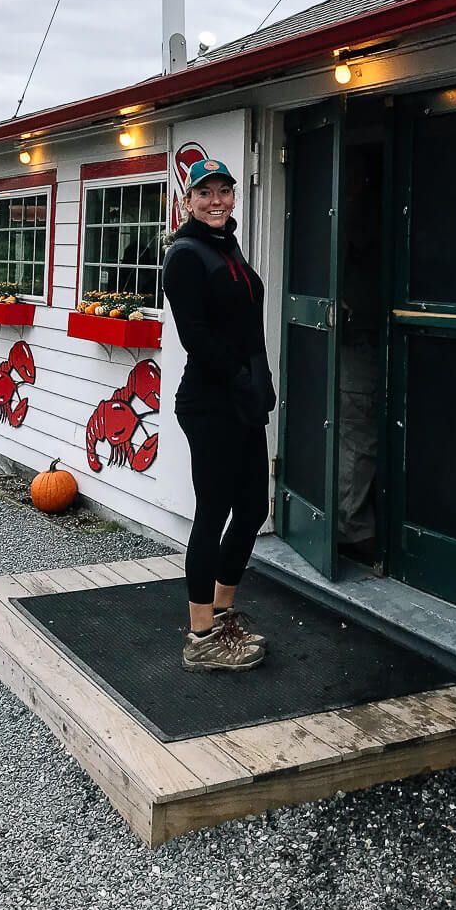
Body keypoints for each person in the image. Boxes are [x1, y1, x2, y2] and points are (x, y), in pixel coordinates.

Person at [162, 156, 276, 672]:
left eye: (224, 191)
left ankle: (224, 611)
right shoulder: (185, 255)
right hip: (210, 403)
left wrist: (262, 382)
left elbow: (247, 326)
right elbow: (197, 337)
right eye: (204, 193)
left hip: (244, 397)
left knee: (252, 510)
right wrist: (240, 380)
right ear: (188, 201)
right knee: (213, 513)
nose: (216, 201)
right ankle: (200, 634)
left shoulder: (226, 245)